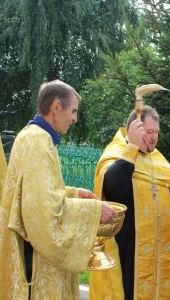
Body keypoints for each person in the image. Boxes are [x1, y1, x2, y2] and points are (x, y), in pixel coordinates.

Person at [0, 80, 117, 300]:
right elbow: (42, 212)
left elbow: (36, 191)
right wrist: (93, 210)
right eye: (73, 111)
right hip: (35, 259)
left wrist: (74, 193)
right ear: (55, 107)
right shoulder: (39, 142)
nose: (75, 118)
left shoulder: (29, 134)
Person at [88, 105, 170, 300]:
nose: (154, 138)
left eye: (156, 132)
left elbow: (169, 194)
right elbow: (113, 188)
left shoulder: (157, 159)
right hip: (130, 247)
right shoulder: (117, 153)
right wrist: (131, 148)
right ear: (134, 130)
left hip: (162, 249)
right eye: (149, 132)